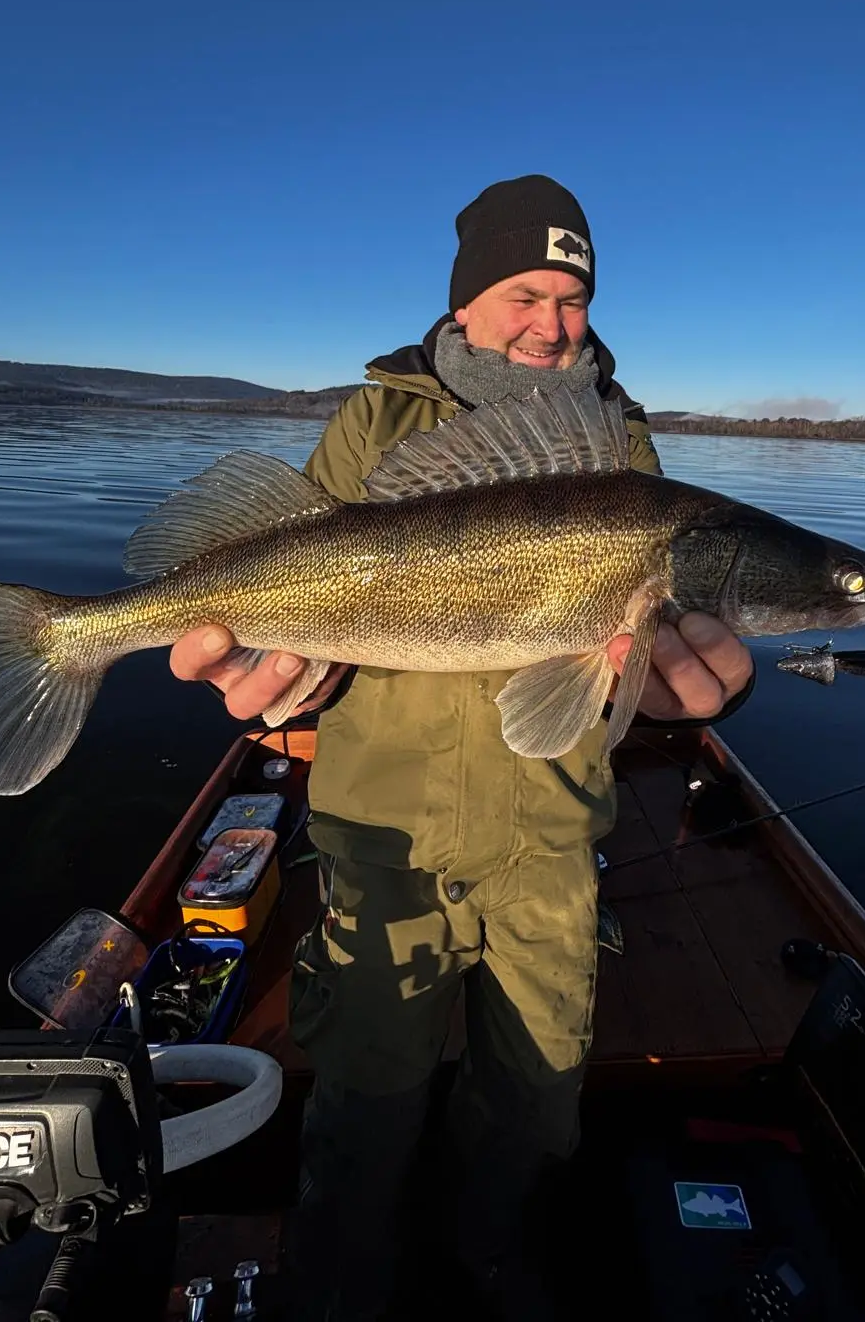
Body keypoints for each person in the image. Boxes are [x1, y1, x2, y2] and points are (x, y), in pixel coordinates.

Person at [170, 175, 754, 1319]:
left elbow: (633, 654)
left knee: (538, 1101)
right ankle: (341, 1283)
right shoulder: (375, 421)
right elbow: (308, 608)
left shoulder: (620, 440)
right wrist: (292, 668)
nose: (552, 321)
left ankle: (491, 1257)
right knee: (369, 1093)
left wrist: (688, 697)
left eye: (575, 297)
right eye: (526, 291)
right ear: (468, 299)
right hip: (385, 839)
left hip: (546, 838)